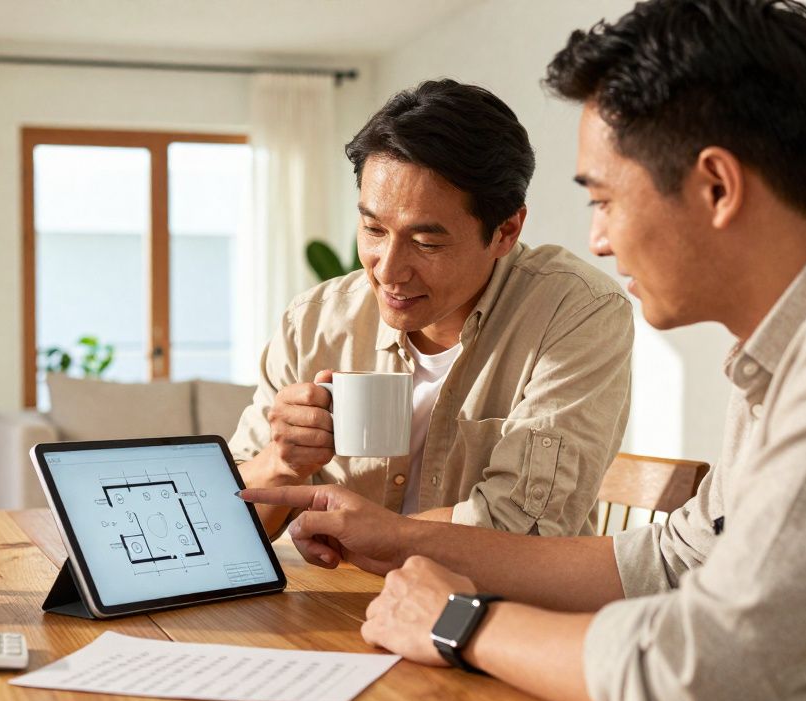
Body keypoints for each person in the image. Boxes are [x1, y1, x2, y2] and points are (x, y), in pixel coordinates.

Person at [240, 1, 806, 701]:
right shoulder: (794, 345)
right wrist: (400, 538)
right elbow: (671, 558)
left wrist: (462, 623)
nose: (597, 240)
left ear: (717, 188)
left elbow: (714, 674)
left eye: (603, 200)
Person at [229, 79, 634, 539]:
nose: (389, 271)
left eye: (426, 242)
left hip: (495, 605)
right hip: (337, 595)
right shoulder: (315, 321)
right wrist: (279, 463)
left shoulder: (575, 311)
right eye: (373, 230)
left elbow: (523, 529)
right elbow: (225, 527)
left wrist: (370, 535)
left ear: (505, 230)